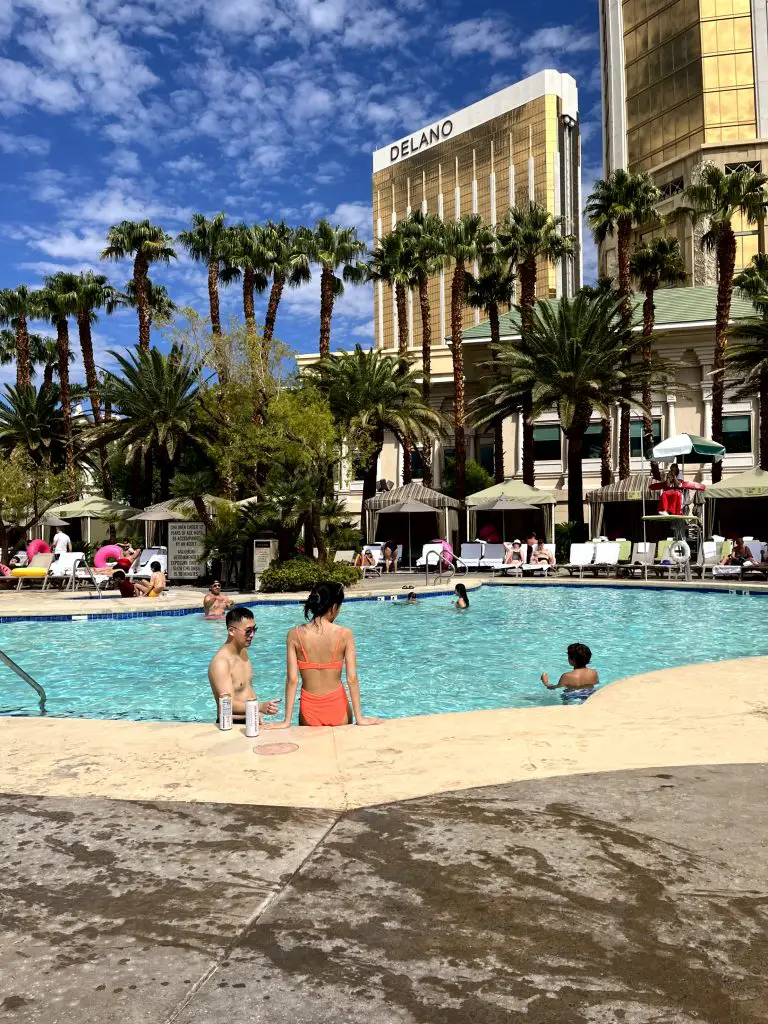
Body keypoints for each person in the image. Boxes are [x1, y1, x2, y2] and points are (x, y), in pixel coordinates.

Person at [268, 581, 381, 728]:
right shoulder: (344, 634)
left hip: (309, 710)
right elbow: (351, 678)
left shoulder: (294, 635)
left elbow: (292, 679)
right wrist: (360, 718)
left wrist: (286, 721)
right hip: (338, 708)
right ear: (334, 607)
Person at [208, 607, 281, 724]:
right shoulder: (221, 663)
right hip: (233, 724)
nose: (252, 635)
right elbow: (228, 704)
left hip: (251, 717)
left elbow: (247, 689)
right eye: (248, 631)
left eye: (254, 629)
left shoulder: (243, 652)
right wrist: (260, 706)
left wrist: (257, 713)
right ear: (232, 631)